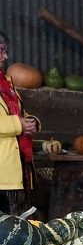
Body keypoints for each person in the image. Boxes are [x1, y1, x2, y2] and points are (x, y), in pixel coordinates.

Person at [0, 31, 40, 215]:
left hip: (15, 165)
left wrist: (31, 122)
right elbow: (16, 120)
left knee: (15, 227)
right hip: (2, 170)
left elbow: (18, 112)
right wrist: (19, 125)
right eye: (1, 50)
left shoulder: (6, 83)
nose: (5, 56)